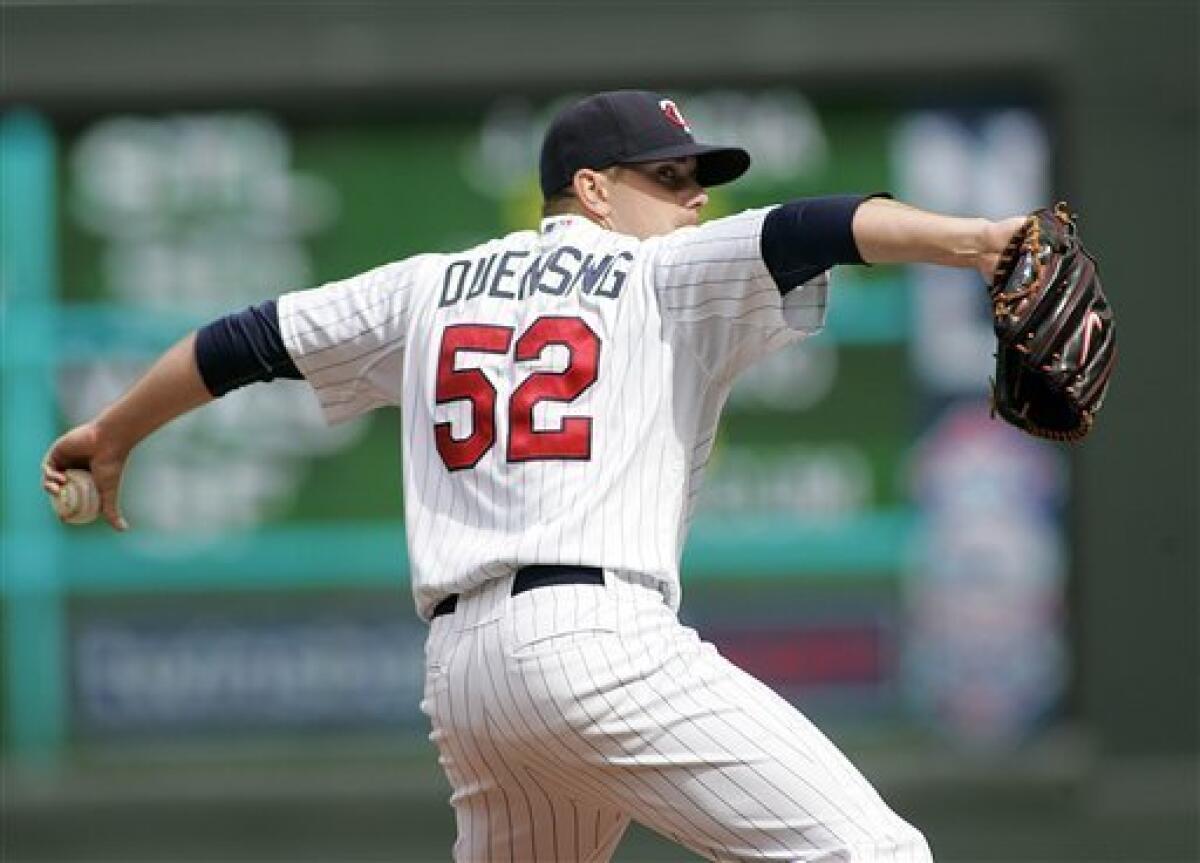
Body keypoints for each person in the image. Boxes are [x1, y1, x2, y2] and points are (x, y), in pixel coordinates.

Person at [43, 90, 1024, 862]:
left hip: (467, 677)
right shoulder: (662, 270)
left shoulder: (426, 282)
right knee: (872, 850)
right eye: (671, 177)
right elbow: (822, 224)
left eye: (697, 180)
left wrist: (117, 429)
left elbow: (245, 340)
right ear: (593, 189)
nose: (695, 200)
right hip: (594, 643)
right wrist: (980, 241)